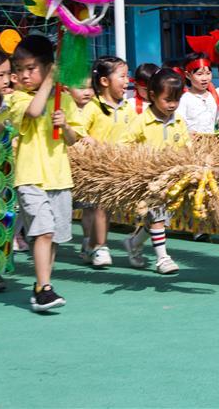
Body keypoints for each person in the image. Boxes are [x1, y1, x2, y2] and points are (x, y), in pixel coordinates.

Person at [8, 35, 84, 312]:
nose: (23, 75)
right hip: (30, 176)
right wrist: (50, 79)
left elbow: (74, 138)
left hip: (59, 176)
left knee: (50, 237)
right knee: (43, 231)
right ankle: (44, 288)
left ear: (46, 66)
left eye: (31, 68)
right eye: (19, 69)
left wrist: (64, 126)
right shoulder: (17, 98)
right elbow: (34, 109)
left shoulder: (63, 98)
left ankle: (42, 285)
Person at [120, 69, 191, 274]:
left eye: (176, 99)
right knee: (158, 216)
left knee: (158, 217)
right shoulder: (141, 121)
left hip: (172, 179)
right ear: (152, 95)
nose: (172, 104)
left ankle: (134, 243)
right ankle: (162, 258)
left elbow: (187, 147)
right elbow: (123, 145)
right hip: (148, 180)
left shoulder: (178, 121)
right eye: (167, 99)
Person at [77, 56, 133, 268]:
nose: (127, 80)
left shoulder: (127, 107)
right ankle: (100, 246)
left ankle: (91, 245)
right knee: (98, 207)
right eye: (122, 76)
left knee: (104, 210)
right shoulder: (93, 107)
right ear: (104, 81)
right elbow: (78, 131)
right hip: (95, 168)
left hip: (118, 167)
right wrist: (90, 141)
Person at [177, 52, 219, 134]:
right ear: (188, 75)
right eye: (199, 74)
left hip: (211, 143)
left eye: (208, 73)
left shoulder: (214, 97)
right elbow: (179, 125)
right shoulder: (184, 99)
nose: (205, 78)